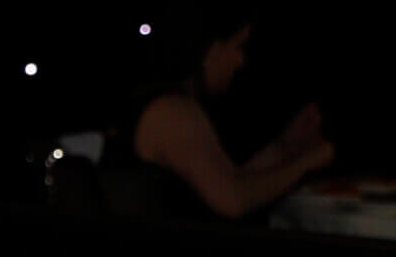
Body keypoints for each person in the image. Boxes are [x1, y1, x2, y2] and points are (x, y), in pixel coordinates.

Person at [120, 12, 334, 221]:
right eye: (237, 46)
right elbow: (234, 201)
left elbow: (227, 181)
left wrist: (283, 148)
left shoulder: (168, 104)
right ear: (209, 49)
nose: (240, 60)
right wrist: (308, 161)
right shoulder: (171, 111)